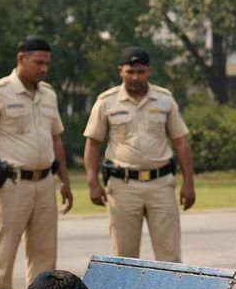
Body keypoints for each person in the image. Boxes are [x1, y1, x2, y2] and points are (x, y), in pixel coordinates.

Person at [0, 35, 74, 289]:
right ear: (21, 59)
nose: (43, 68)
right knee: (2, 258)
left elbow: (56, 140)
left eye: (47, 63)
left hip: (45, 183)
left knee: (44, 259)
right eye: (38, 62)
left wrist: (65, 181)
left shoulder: (49, 94)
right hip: (11, 186)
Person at [83, 46, 195, 261]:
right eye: (130, 72)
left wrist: (188, 182)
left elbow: (180, 142)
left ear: (149, 71)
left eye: (140, 72)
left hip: (161, 184)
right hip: (122, 186)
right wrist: (92, 182)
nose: (135, 77)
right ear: (120, 71)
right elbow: (93, 144)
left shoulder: (165, 100)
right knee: (124, 258)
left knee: (170, 255)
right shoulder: (106, 101)